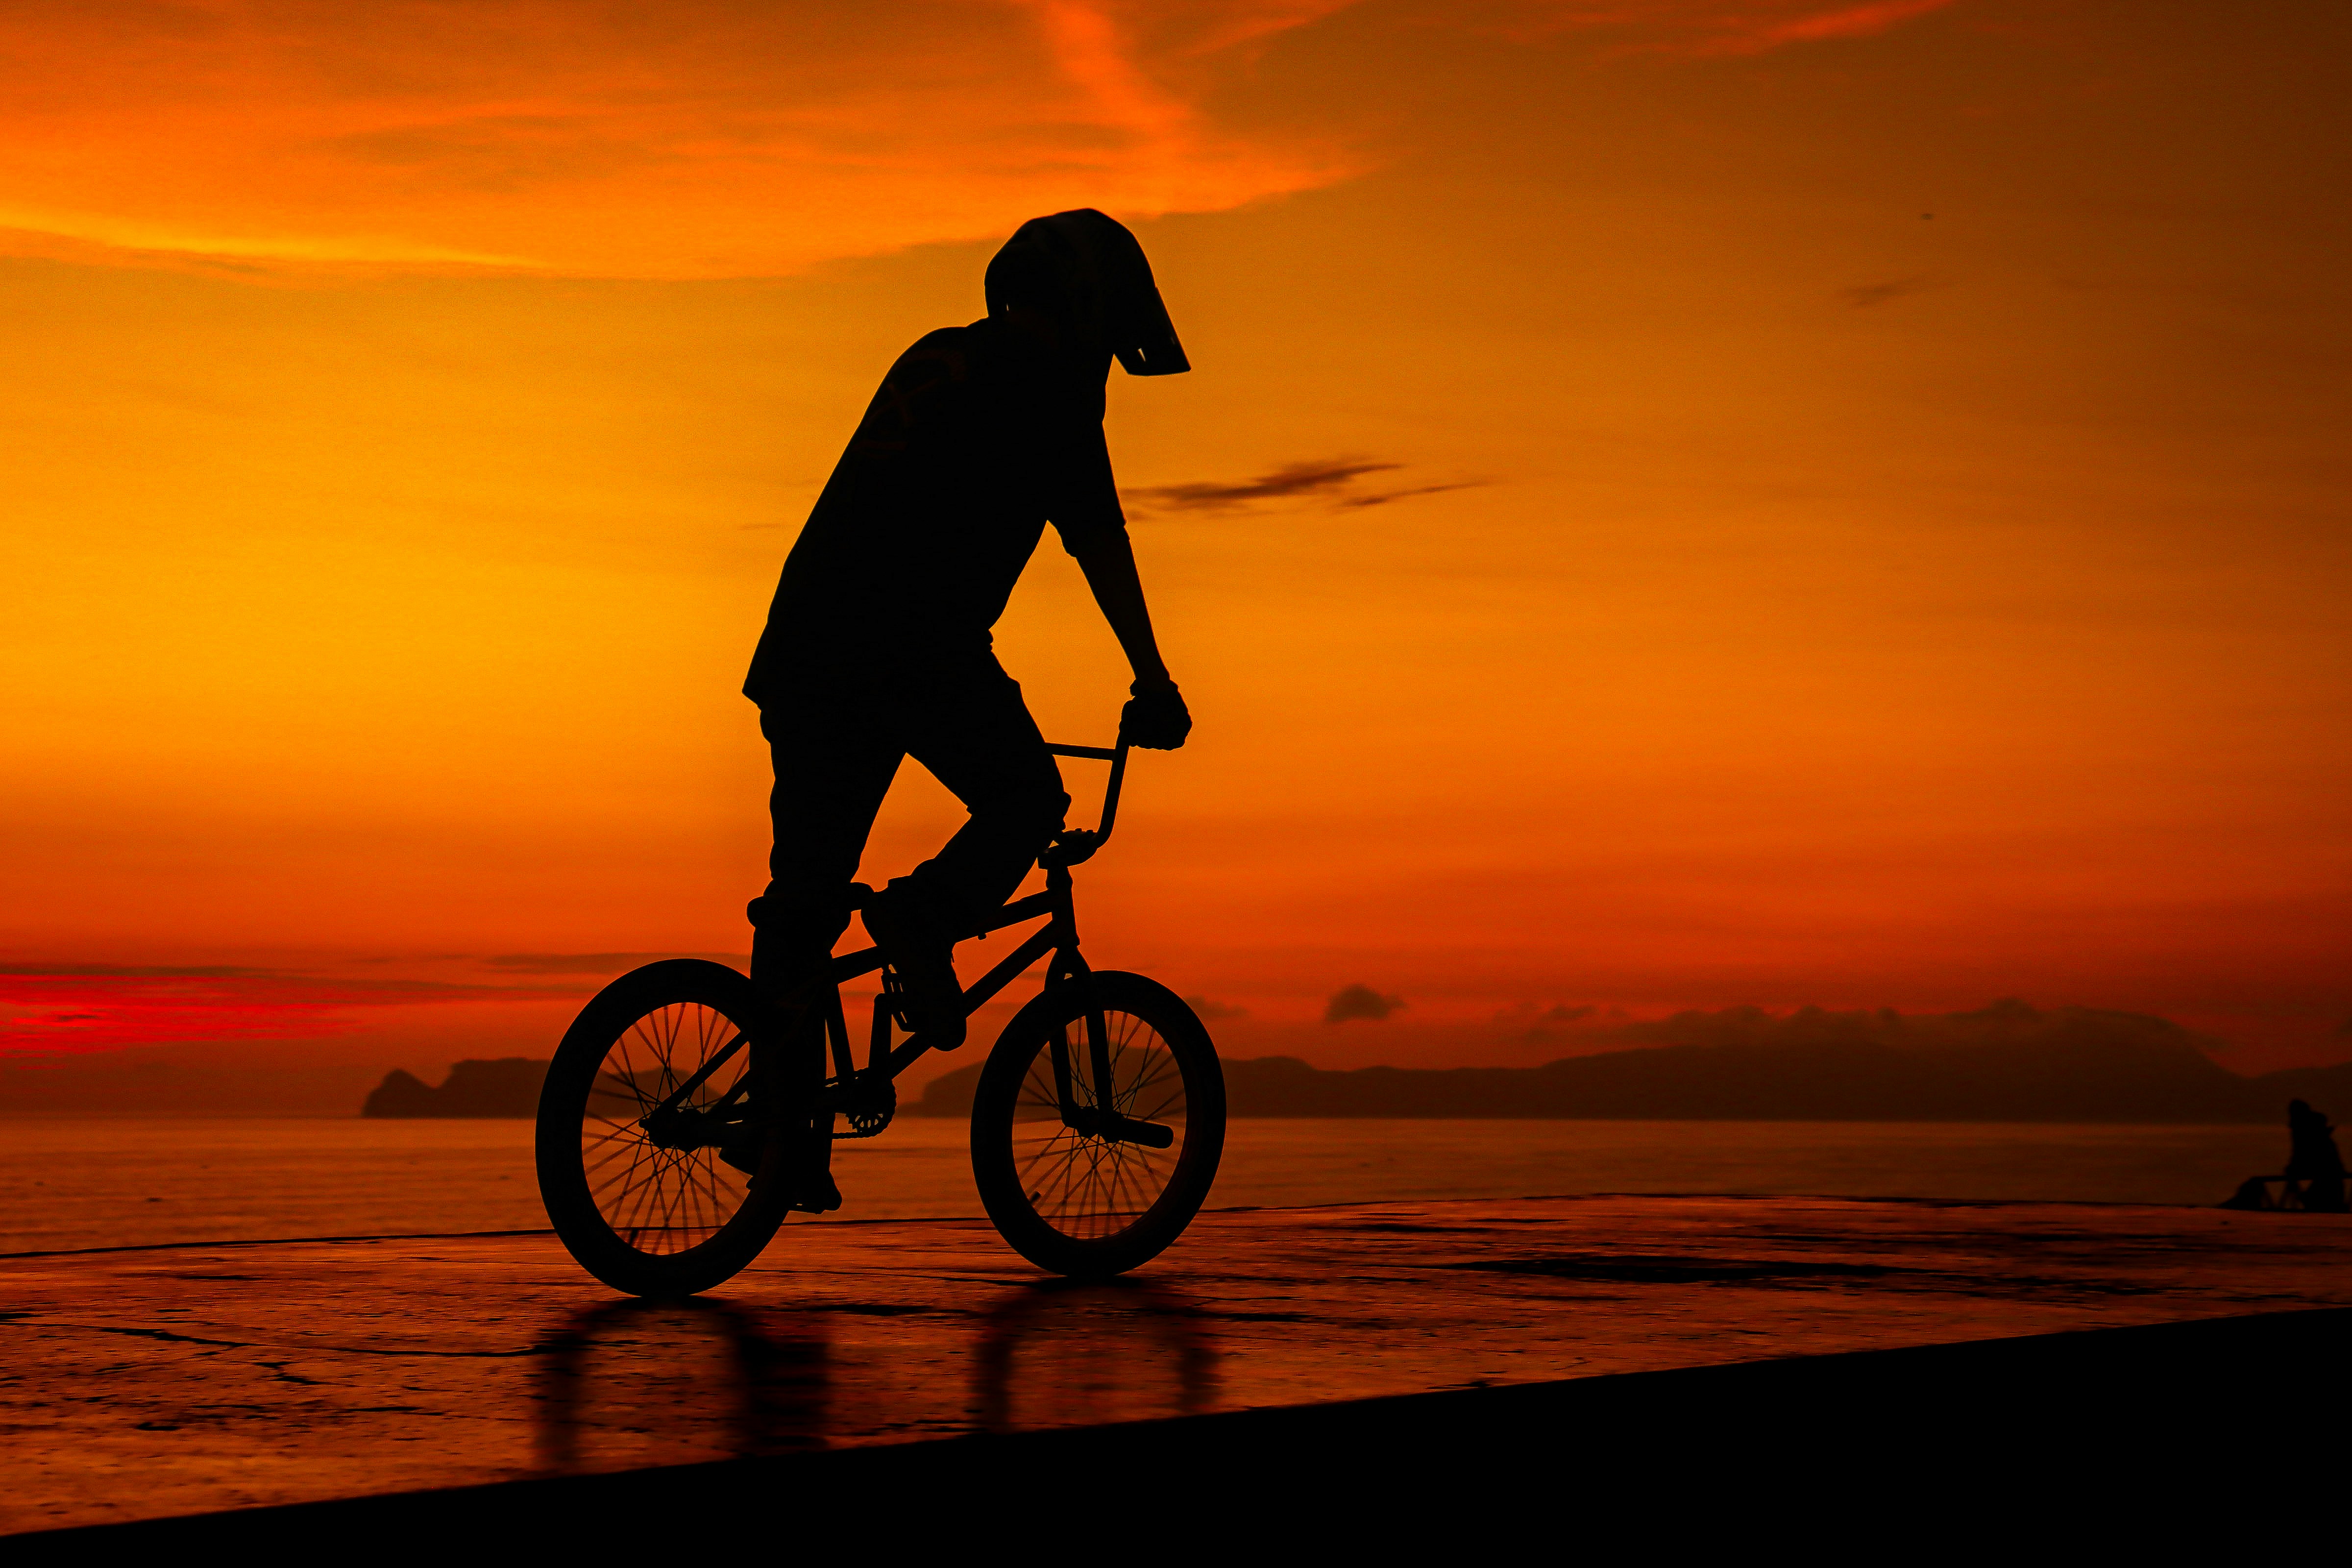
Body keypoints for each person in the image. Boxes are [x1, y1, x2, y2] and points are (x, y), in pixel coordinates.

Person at [742, 209, 1193, 1060]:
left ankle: (780, 1136)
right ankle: (922, 921)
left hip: (804, 645)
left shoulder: (941, 356)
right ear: (1086, 309)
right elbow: (1099, 539)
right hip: (911, 644)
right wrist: (1153, 681)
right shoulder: (1046, 389)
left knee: (806, 894)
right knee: (1027, 802)